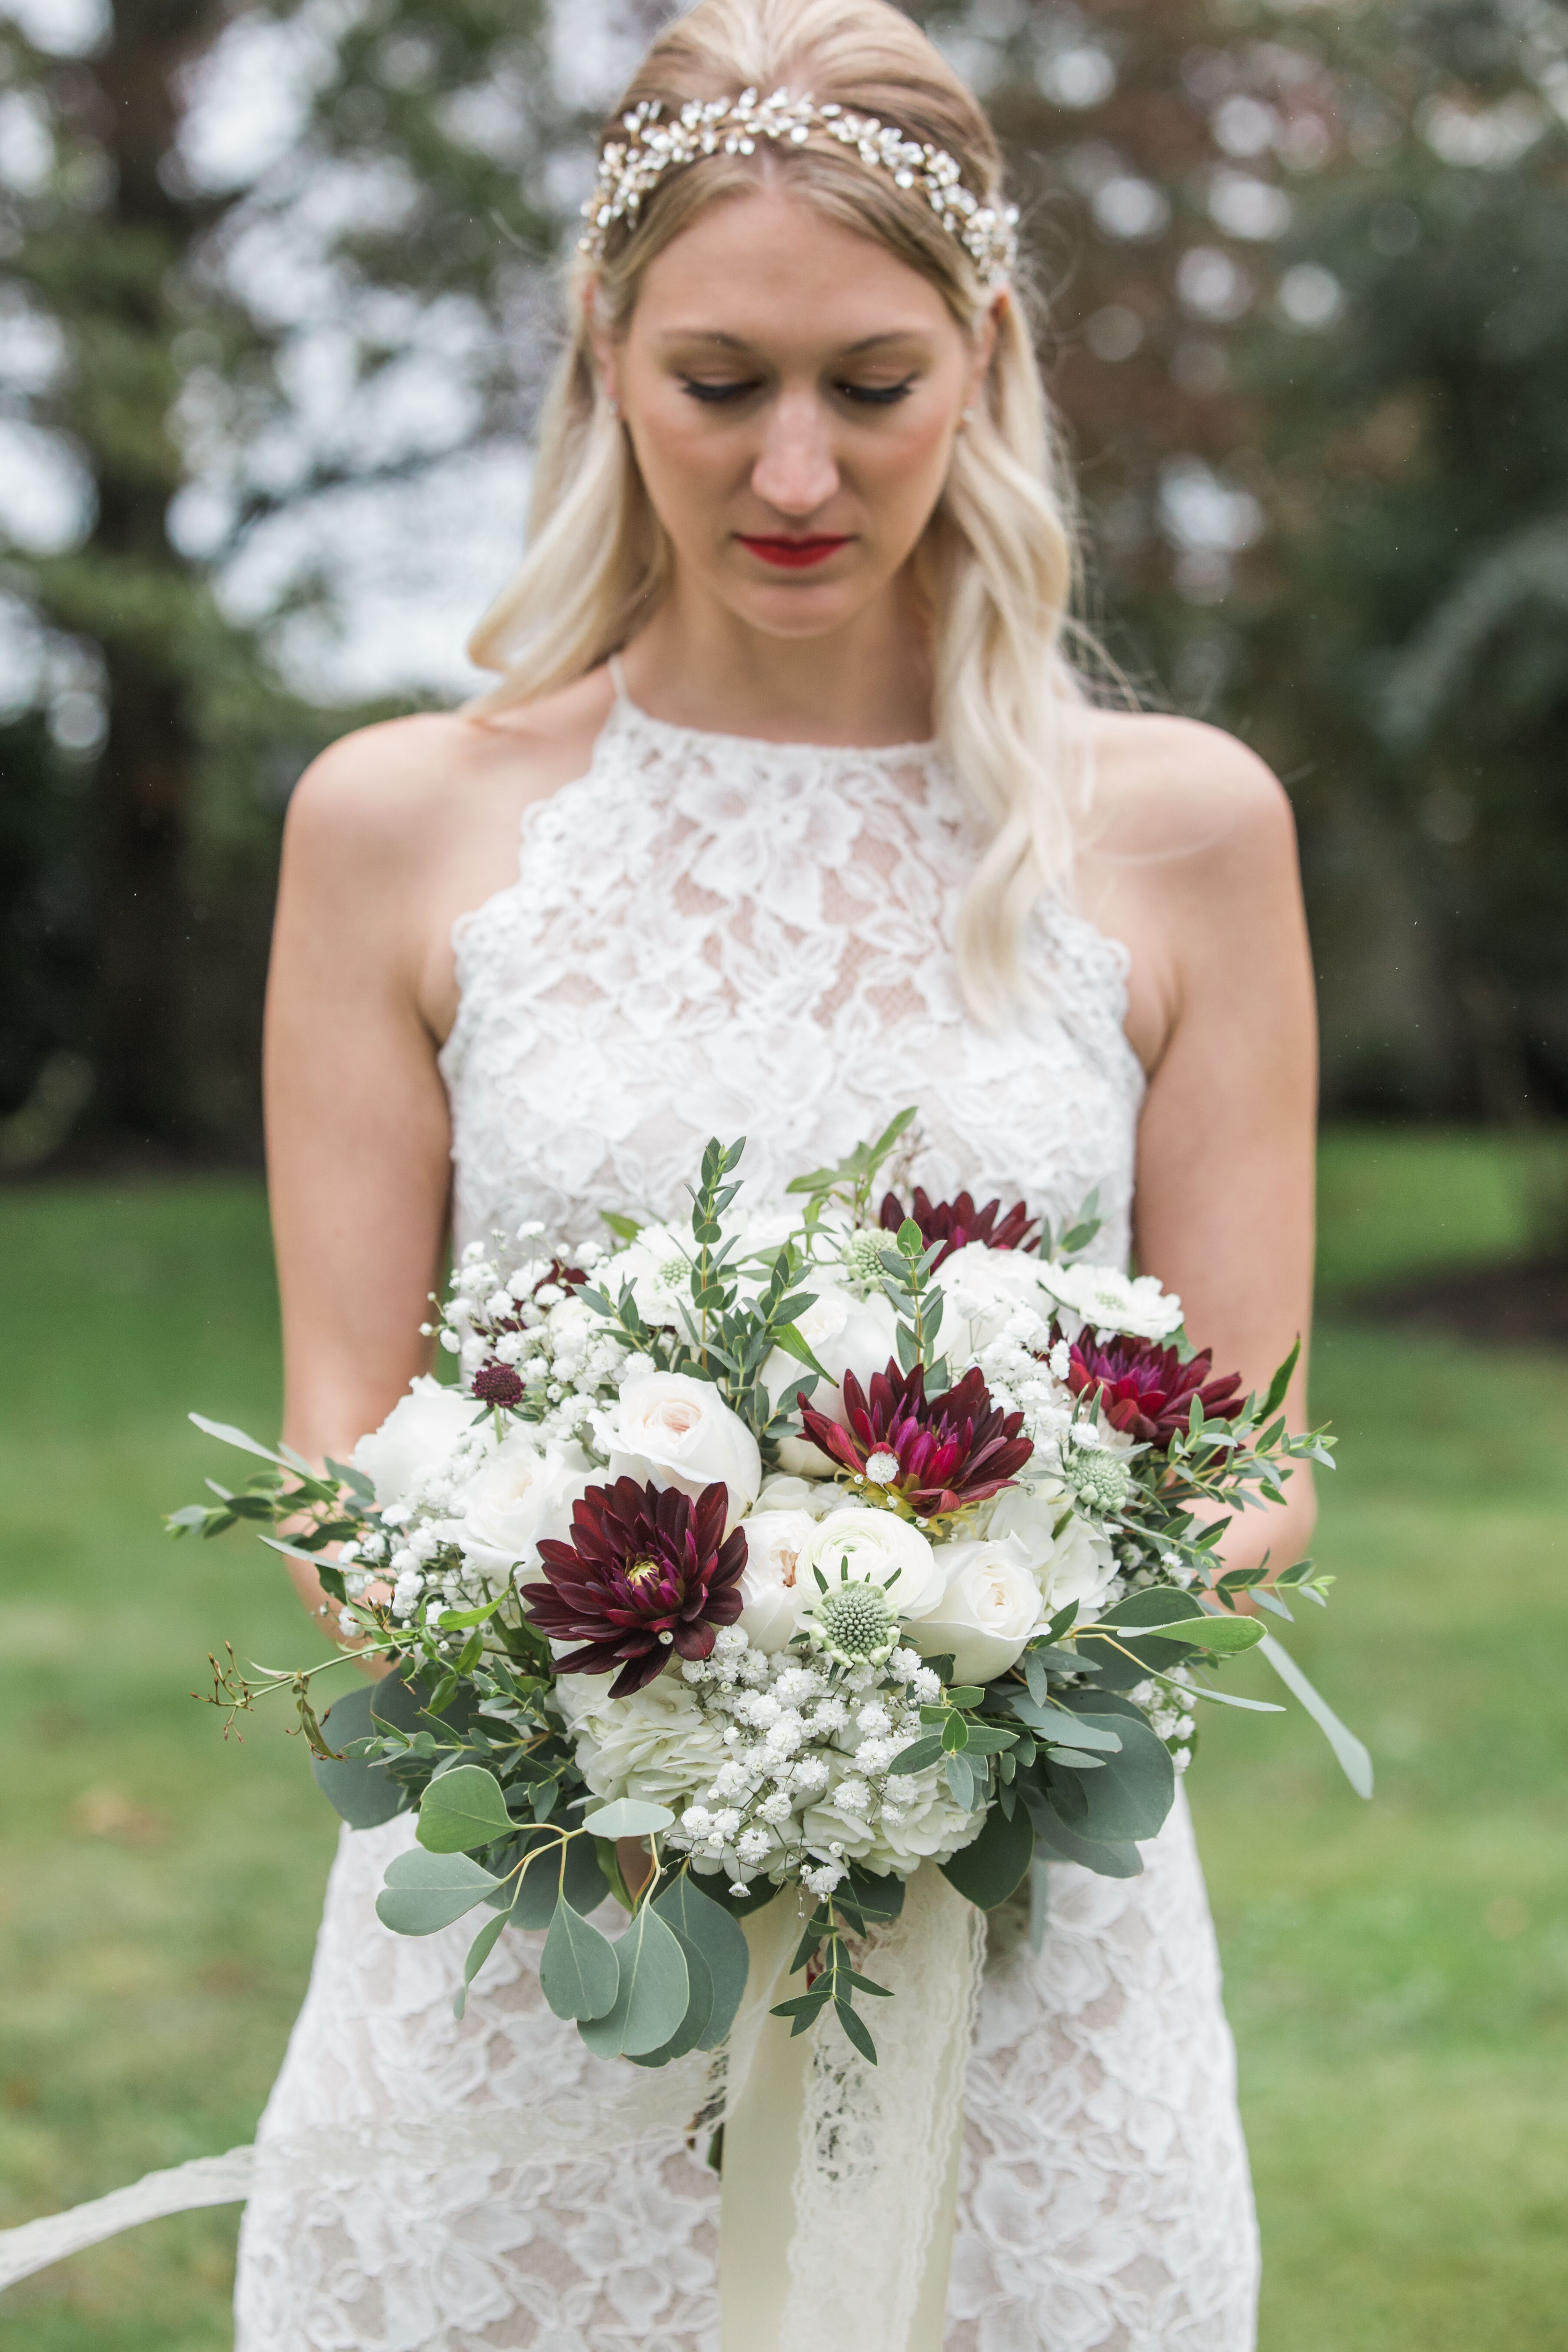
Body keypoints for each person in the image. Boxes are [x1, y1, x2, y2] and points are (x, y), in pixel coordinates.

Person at [243, 0, 1317, 2343]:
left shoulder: (1188, 831)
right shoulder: (398, 825)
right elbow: (340, 1427)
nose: (797, 471)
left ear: (985, 357)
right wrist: (620, 1708)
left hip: (1023, 1957)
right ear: (601, 353)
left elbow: (1247, 1458)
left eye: (871, 381)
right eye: (721, 383)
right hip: (554, 1921)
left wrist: (929, 1693)